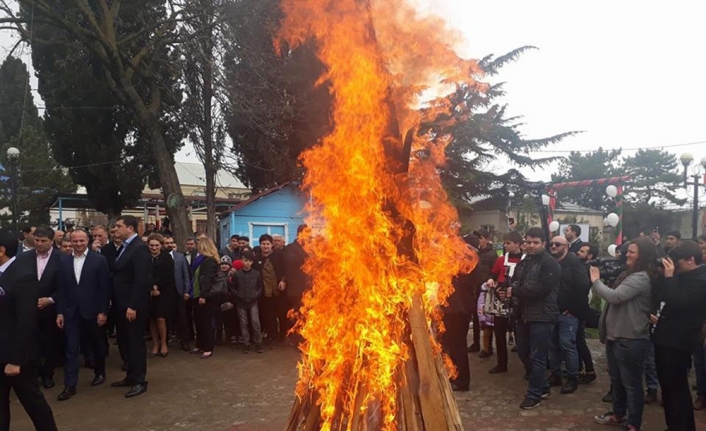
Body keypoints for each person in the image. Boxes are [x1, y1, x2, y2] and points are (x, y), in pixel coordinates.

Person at [591, 238, 655, 431]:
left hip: (630, 338)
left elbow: (615, 297)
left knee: (631, 385)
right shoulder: (629, 274)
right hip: (616, 337)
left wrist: (595, 280)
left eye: (632, 252)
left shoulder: (641, 277)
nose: (627, 254)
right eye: (627, 251)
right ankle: (618, 414)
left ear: (642, 256)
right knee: (617, 381)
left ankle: (634, 424)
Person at [0, 229, 58, 431]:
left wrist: (15, 360)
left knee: (33, 402)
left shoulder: (22, 277)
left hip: (19, 356)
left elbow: (26, 320)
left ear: (1, 251)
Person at [501, 227, 561, 410]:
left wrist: (515, 291)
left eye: (535, 243)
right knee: (523, 352)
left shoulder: (550, 264)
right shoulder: (524, 262)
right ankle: (542, 386)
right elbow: (515, 282)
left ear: (544, 243)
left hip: (542, 316)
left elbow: (542, 289)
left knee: (538, 356)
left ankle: (534, 394)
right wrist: (504, 292)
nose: (531, 246)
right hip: (523, 315)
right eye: (528, 242)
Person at [651, 241, 706, 431]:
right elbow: (659, 295)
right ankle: (673, 425)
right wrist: (662, 275)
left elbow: (675, 301)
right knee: (666, 388)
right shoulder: (683, 275)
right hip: (665, 338)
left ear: (691, 260)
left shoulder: (701, 279)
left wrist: (668, 277)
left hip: (679, 342)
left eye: (677, 261)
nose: (674, 265)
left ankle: (683, 427)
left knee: (678, 389)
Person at [54, 229, 111, 401]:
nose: (78, 244)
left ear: (88, 241)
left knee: (96, 344)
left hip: (93, 311)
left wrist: (103, 311)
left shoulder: (99, 260)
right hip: (71, 312)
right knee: (71, 349)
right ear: (70, 242)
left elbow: (104, 288)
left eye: (81, 241)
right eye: (75, 241)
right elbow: (61, 289)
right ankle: (69, 385)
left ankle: (100, 372)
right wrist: (59, 313)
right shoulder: (64, 261)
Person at [12, 226, 62, 389]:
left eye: (43, 241)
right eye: (37, 240)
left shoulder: (62, 258)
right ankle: (33, 374)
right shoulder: (24, 258)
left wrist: (51, 299)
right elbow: (18, 282)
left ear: (51, 241)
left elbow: (66, 285)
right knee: (30, 342)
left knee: (49, 343)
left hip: (50, 309)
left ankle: (48, 374)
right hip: (28, 308)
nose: (39, 244)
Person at [110, 215, 153, 398]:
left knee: (135, 343)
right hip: (121, 304)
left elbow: (141, 280)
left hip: (132, 306)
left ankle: (140, 380)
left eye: (119, 226)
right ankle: (130, 375)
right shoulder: (125, 247)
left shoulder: (139, 249)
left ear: (130, 228)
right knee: (125, 341)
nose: (116, 229)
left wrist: (133, 306)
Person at [547, 236, 592, 395]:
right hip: (551, 311)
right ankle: (556, 375)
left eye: (557, 244)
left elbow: (584, 287)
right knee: (552, 345)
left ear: (566, 246)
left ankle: (572, 378)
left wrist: (572, 309)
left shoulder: (574, 263)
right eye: (551, 244)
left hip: (568, 313)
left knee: (567, 345)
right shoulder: (550, 261)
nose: (553, 246)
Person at [485, 231, 525, 374]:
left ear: (517, 244)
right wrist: (491, 280)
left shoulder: (526, 260)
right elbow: (493, 275)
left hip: (519, 300)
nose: (505, 245)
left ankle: (528, 365)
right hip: (500, 297)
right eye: (505, 242)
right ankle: (501, 364)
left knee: (521, 333)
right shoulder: (501, 259)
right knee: (499, 333)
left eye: (508, 243)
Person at [190, 237, 221, 359]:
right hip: (197, 294)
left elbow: (207, 279)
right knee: (199, 321)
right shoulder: (201, 260)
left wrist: (203, 295)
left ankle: (208, 347)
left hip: (206, 297)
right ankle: (200, 344)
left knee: (206, 322)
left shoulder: (209, 261)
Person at [254, 234, 286, 345]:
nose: (265, 246)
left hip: (279, 291)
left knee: (282, 314)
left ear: (272, 245)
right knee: (269, 316)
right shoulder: (257, 258)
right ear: (260, 245)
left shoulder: (279, 256)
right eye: (263, 244)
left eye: (268, 244)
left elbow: (286, 270)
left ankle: (283, 336)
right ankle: (272, 337)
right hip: (265, 293)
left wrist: (283, 280)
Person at [467, 229, 497, 354]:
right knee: (475, 317)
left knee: (486, 319)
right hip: (473, 290)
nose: (478, 240)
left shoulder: (492, 255)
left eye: (480, 238)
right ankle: (476, 343)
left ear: (486, 239)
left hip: (486, 292)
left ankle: (487, 347)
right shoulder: (473, 253)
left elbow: (494, 272)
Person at [146, 234, 175, 358]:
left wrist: (158, 286)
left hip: (164, 292)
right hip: (148, 291)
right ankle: (155, 344)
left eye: (156, 245)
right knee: (151, 318)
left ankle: (163, 343)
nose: (154, 248)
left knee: (160, 318)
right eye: (151, 245)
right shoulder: (144, 258)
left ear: (161, 246)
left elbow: (169, 275)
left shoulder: (167, 258)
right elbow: (143, 273)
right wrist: (151, 287)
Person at [574, 243, 599, 384]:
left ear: (589, 256)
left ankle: (589, 370)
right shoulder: (580, 267)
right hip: (579, 308)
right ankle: (582, 368)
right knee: (577, 341)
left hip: (580, 309)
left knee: (579, 341)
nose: (578, 253)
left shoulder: (588, 270)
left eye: (582, 251)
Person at [231, 250, 264, 354]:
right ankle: (246, 344)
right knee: (243, 323)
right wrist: (238, 294)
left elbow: (260, 287)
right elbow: (232, 287)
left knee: (255, 322)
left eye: (249, 261)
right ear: (242, 261)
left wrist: (257, 294)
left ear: (252, 262)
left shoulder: (257, 274)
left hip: (253, 301)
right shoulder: (237, 275)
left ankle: (258, 343)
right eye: (245, 260)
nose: (247, 263)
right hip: (241, 302)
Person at [283, 225, 311, 344]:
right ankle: (295, 338)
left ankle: (306, 338)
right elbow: (291, 261)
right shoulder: (291, 248)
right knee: (296, 313)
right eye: (305, 233)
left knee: (307, 314)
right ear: (299, 234)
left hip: (309, 287)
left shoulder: (311, 247)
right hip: (295, 287)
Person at [164, 234, 191, 351]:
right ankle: (164, 341)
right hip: (165, 293)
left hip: (179, 292)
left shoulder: (180, 257)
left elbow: (186, 275)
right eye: (167, 243)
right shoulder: (160, 257)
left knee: (182, 318)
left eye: (171, 243)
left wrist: (186, 291)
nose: (169, 245)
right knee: (165, 318)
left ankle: (184, 341)